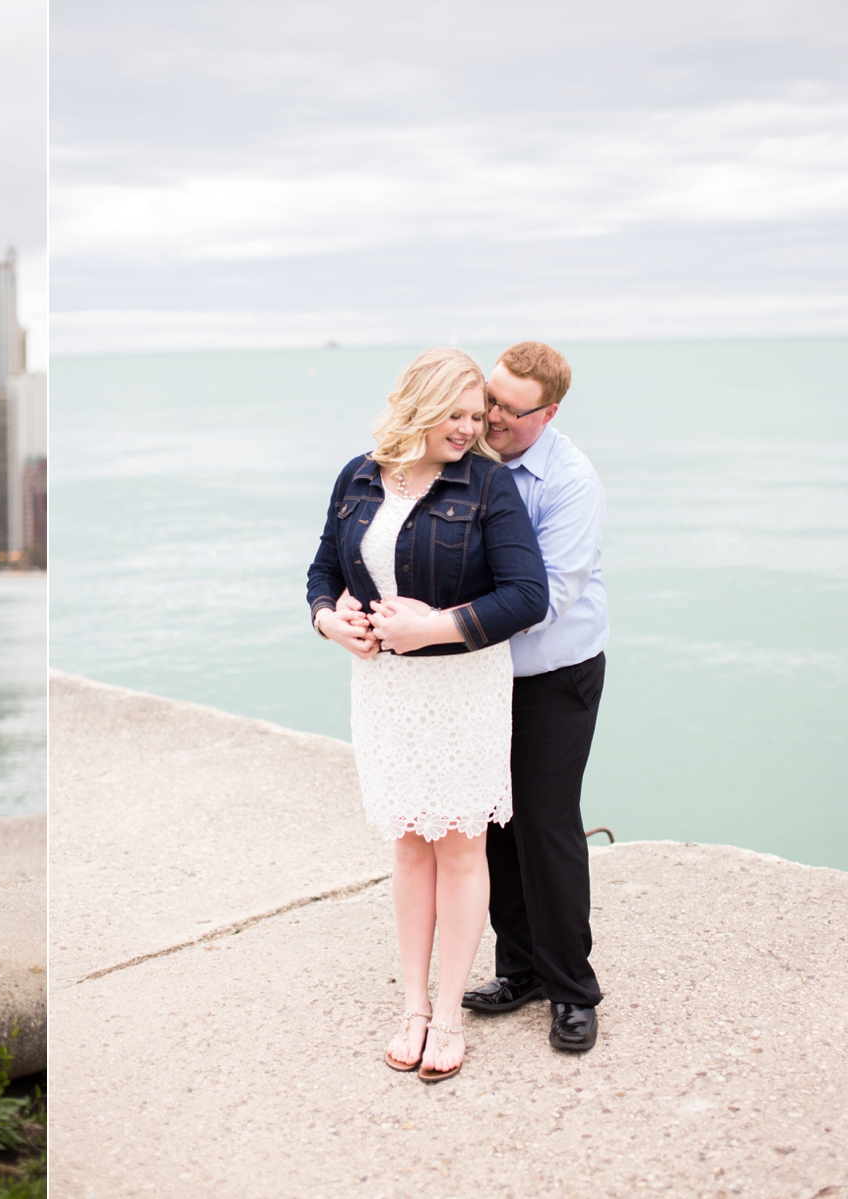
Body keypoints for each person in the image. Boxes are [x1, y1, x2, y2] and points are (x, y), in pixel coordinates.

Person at [306, 347, 547, 1081]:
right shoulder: (357, 474)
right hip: (384, 690)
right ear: (417, 403)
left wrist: (431, 627)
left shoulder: (488, 485)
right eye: (458, 413)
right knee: (409, 844)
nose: (471, 428)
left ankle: (447, 1015)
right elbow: (323, 570)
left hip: (462, 688)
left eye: (479, 417)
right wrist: (329, 619)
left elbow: (526, 595)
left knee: (460, 847)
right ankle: (410, 1005)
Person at [459, 342, 609, 1053]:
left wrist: (446, 621)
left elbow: (545, 597)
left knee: (545, 827)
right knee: (493, 824)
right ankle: (518, 968)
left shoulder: (572, 481)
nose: (490, 417)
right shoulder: (472, 456)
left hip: (555, 674)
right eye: (488, 399)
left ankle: (573, 990)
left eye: (508, 411)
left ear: (548, 413)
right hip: (481, 673)